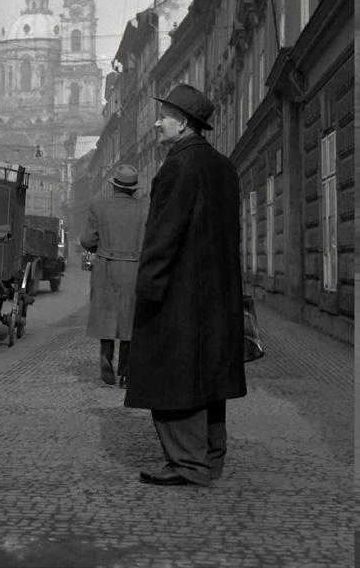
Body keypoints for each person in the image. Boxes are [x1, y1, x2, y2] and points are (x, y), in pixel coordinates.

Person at [125, 84, 247, 487]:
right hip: (217, 293)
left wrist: (148, 286)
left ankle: (187, 464)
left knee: (173, 376)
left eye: (164, 117)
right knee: (210, 375)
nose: (158, 123)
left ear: (183, 124)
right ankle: (210, 456)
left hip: (180, 291)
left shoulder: (179, 165)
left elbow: (165, 233)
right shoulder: (223, 166)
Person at [80, 165, 148, 388]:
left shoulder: (98, 208)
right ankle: (127, 373)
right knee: (130, 322)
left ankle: (106, 356)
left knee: (106, 315)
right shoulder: (145, 209)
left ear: (114, 186)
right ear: (134, 189)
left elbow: (87, 241)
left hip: (106, 268)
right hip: (134, 269)